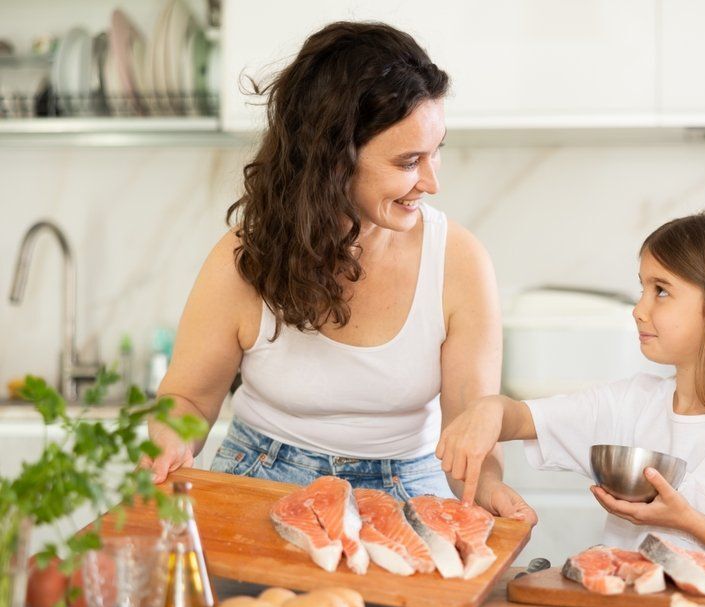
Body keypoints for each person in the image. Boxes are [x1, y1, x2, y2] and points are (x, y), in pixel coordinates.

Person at [143, 21, 536, 525]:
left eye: (436, 151)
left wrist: (488, 487)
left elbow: (469, 421)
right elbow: (190, 400)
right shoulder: (245, 258)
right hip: (259, 478)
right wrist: (172, 442)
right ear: (334, 159)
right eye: (409, 161)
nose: (432, 182)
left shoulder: (458, 260)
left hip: (408, 487)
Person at [436, 210, 705, 567]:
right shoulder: (630, 404)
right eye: (643, 289)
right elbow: (520, 418)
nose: (639, 309)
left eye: (661, 291)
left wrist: (688, 521)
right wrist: (492, 409)